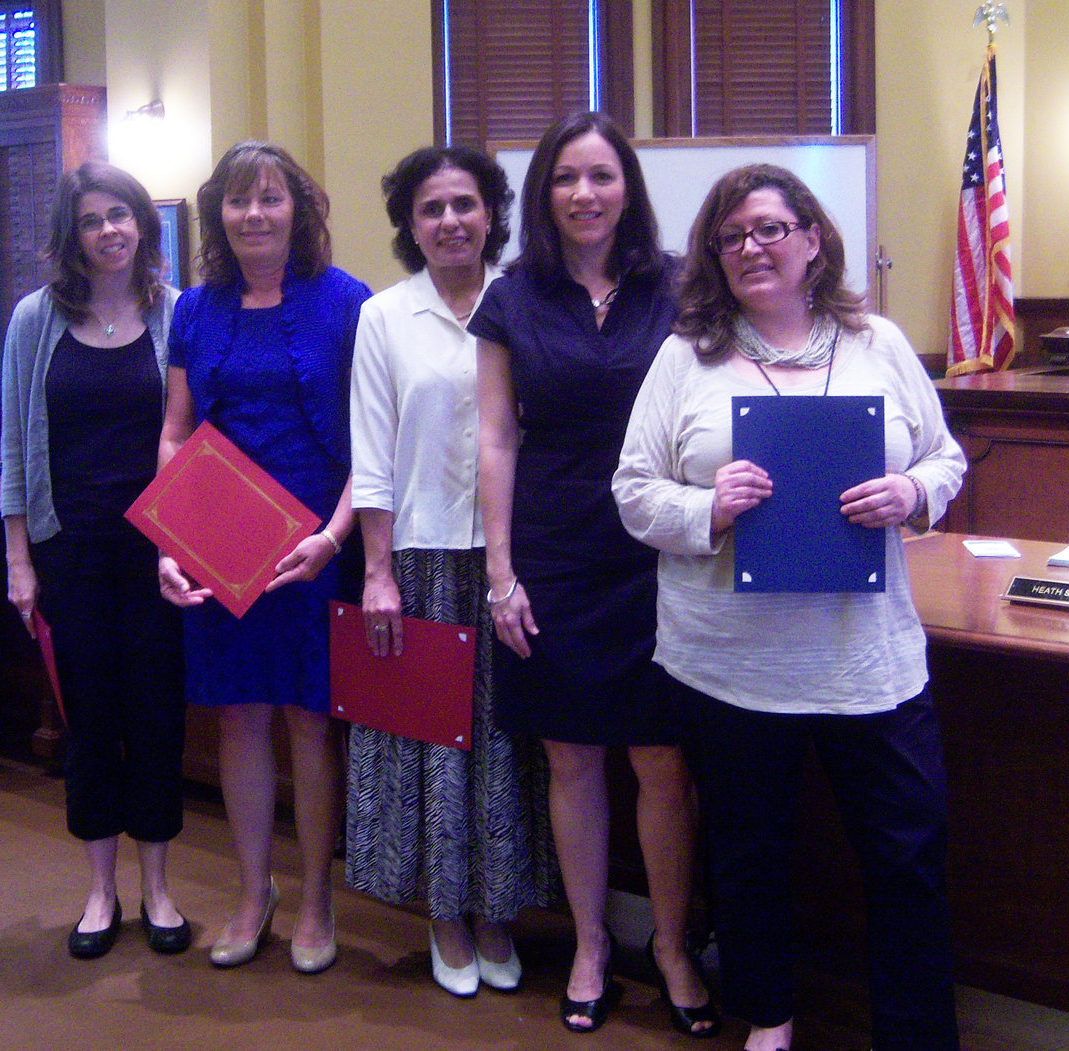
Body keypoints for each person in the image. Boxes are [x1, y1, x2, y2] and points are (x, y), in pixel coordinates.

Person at [612, 163, 966, 1051]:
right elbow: (632, 491)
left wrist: (911, 491)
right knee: (750, 855)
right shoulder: (684, 358)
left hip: (868, 664)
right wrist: (707, 508)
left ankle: (916, 1036)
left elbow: (947, 459)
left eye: (770, 228)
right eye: (730, 237)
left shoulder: (878, 343)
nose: (749, 248)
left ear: (814, 240)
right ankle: (768, 1020)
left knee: (907, 859)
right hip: (733, 663)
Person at [470, 112, 718, 1037]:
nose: (584, 193)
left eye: (602, 177)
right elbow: (496, 437)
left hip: (660, 553)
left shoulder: (682, 289)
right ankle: (587, 943)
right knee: (570, 757)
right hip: (556, 550)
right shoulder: (513, 297)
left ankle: (671, 946)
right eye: (566, 177)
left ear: (628, 189)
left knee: (662, 759)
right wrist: (501, 572)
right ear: (544, 193)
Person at [345, 145, 557, 998]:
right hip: (424, 558)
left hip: (517, 558)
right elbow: (370, 452)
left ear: (491, 213)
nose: (449, 222)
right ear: (409, 224)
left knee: (507, 742)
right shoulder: (384, 317)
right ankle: (444, 912)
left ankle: (500, 907)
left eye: (464, 204)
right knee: (432, 743)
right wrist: (376, 571)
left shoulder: (527, 304)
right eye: (430, 208)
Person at [157, 142, 369, 974]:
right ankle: (255, 893)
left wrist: (337, 535)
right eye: (239, 201)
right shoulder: (195, 308)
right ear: (219, 215)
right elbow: (176, 430)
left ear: (299, 209)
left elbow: (374, 443)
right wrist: (170, 541)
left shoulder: (349, 302)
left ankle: (316, 899)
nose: (255, 214)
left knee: (311, 723)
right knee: (239, 718)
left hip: (317, 547)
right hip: (219, 546)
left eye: (271, 198)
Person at [0, 161, 189, 959]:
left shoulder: (177, 315)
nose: (109, 230)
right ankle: (99, 889)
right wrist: (18, 558)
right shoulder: (33, 321)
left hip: (158, 557)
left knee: (156, 713)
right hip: (66, 546)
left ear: (142, 223)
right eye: (91, 220)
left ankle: (159, 887)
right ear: (71, 236)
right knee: (90, 718)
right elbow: (15, 442)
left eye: (121, 215)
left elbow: (196, 435)